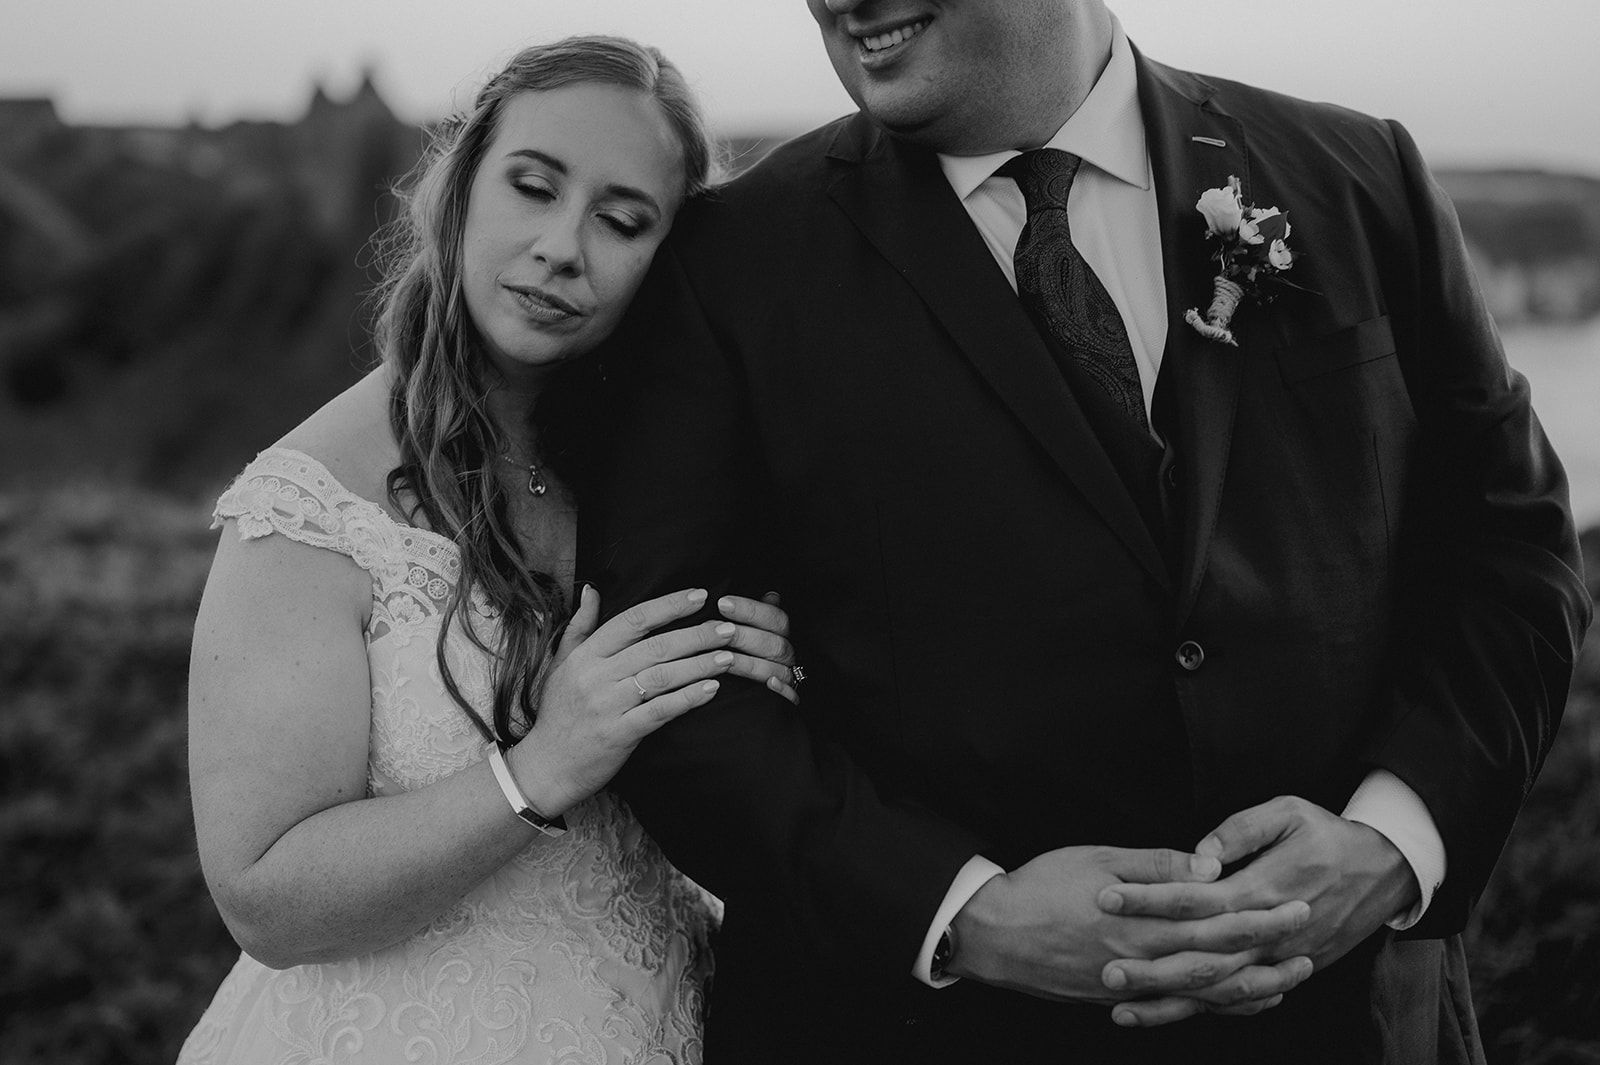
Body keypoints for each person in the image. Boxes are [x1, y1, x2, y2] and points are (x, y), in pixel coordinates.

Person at [580, 1, 1593, 1061]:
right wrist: (959, 914)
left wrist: (1393, 840)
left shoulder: (1359, 174)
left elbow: (1508, 547)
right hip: (919, 1027)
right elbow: (664, 692)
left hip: (1351, 1024)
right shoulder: (731, 263)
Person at [177, 37, 802, 1065]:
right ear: (463, 188)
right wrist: (540, 767)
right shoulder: (310, 505)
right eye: (533, 187)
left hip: (663, 1019)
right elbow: (265, 902)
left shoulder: (675, 480)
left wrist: (771, 672)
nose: (564, 246)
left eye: (622, 220)